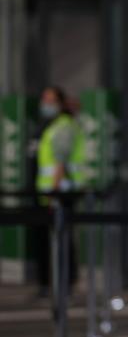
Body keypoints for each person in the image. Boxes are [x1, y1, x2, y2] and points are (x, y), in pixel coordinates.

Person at [34, 86, 85, 298]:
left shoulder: (63, 126)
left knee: (59, 241)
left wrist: (53, 190)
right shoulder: (53, 125)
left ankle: (62, 284)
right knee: (52, 240)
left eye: (51, 100)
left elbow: (60, 161)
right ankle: (54, 284)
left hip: (59, 193)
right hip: (51, 192)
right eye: (44, 99)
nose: (46, 104)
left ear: (61, 103)